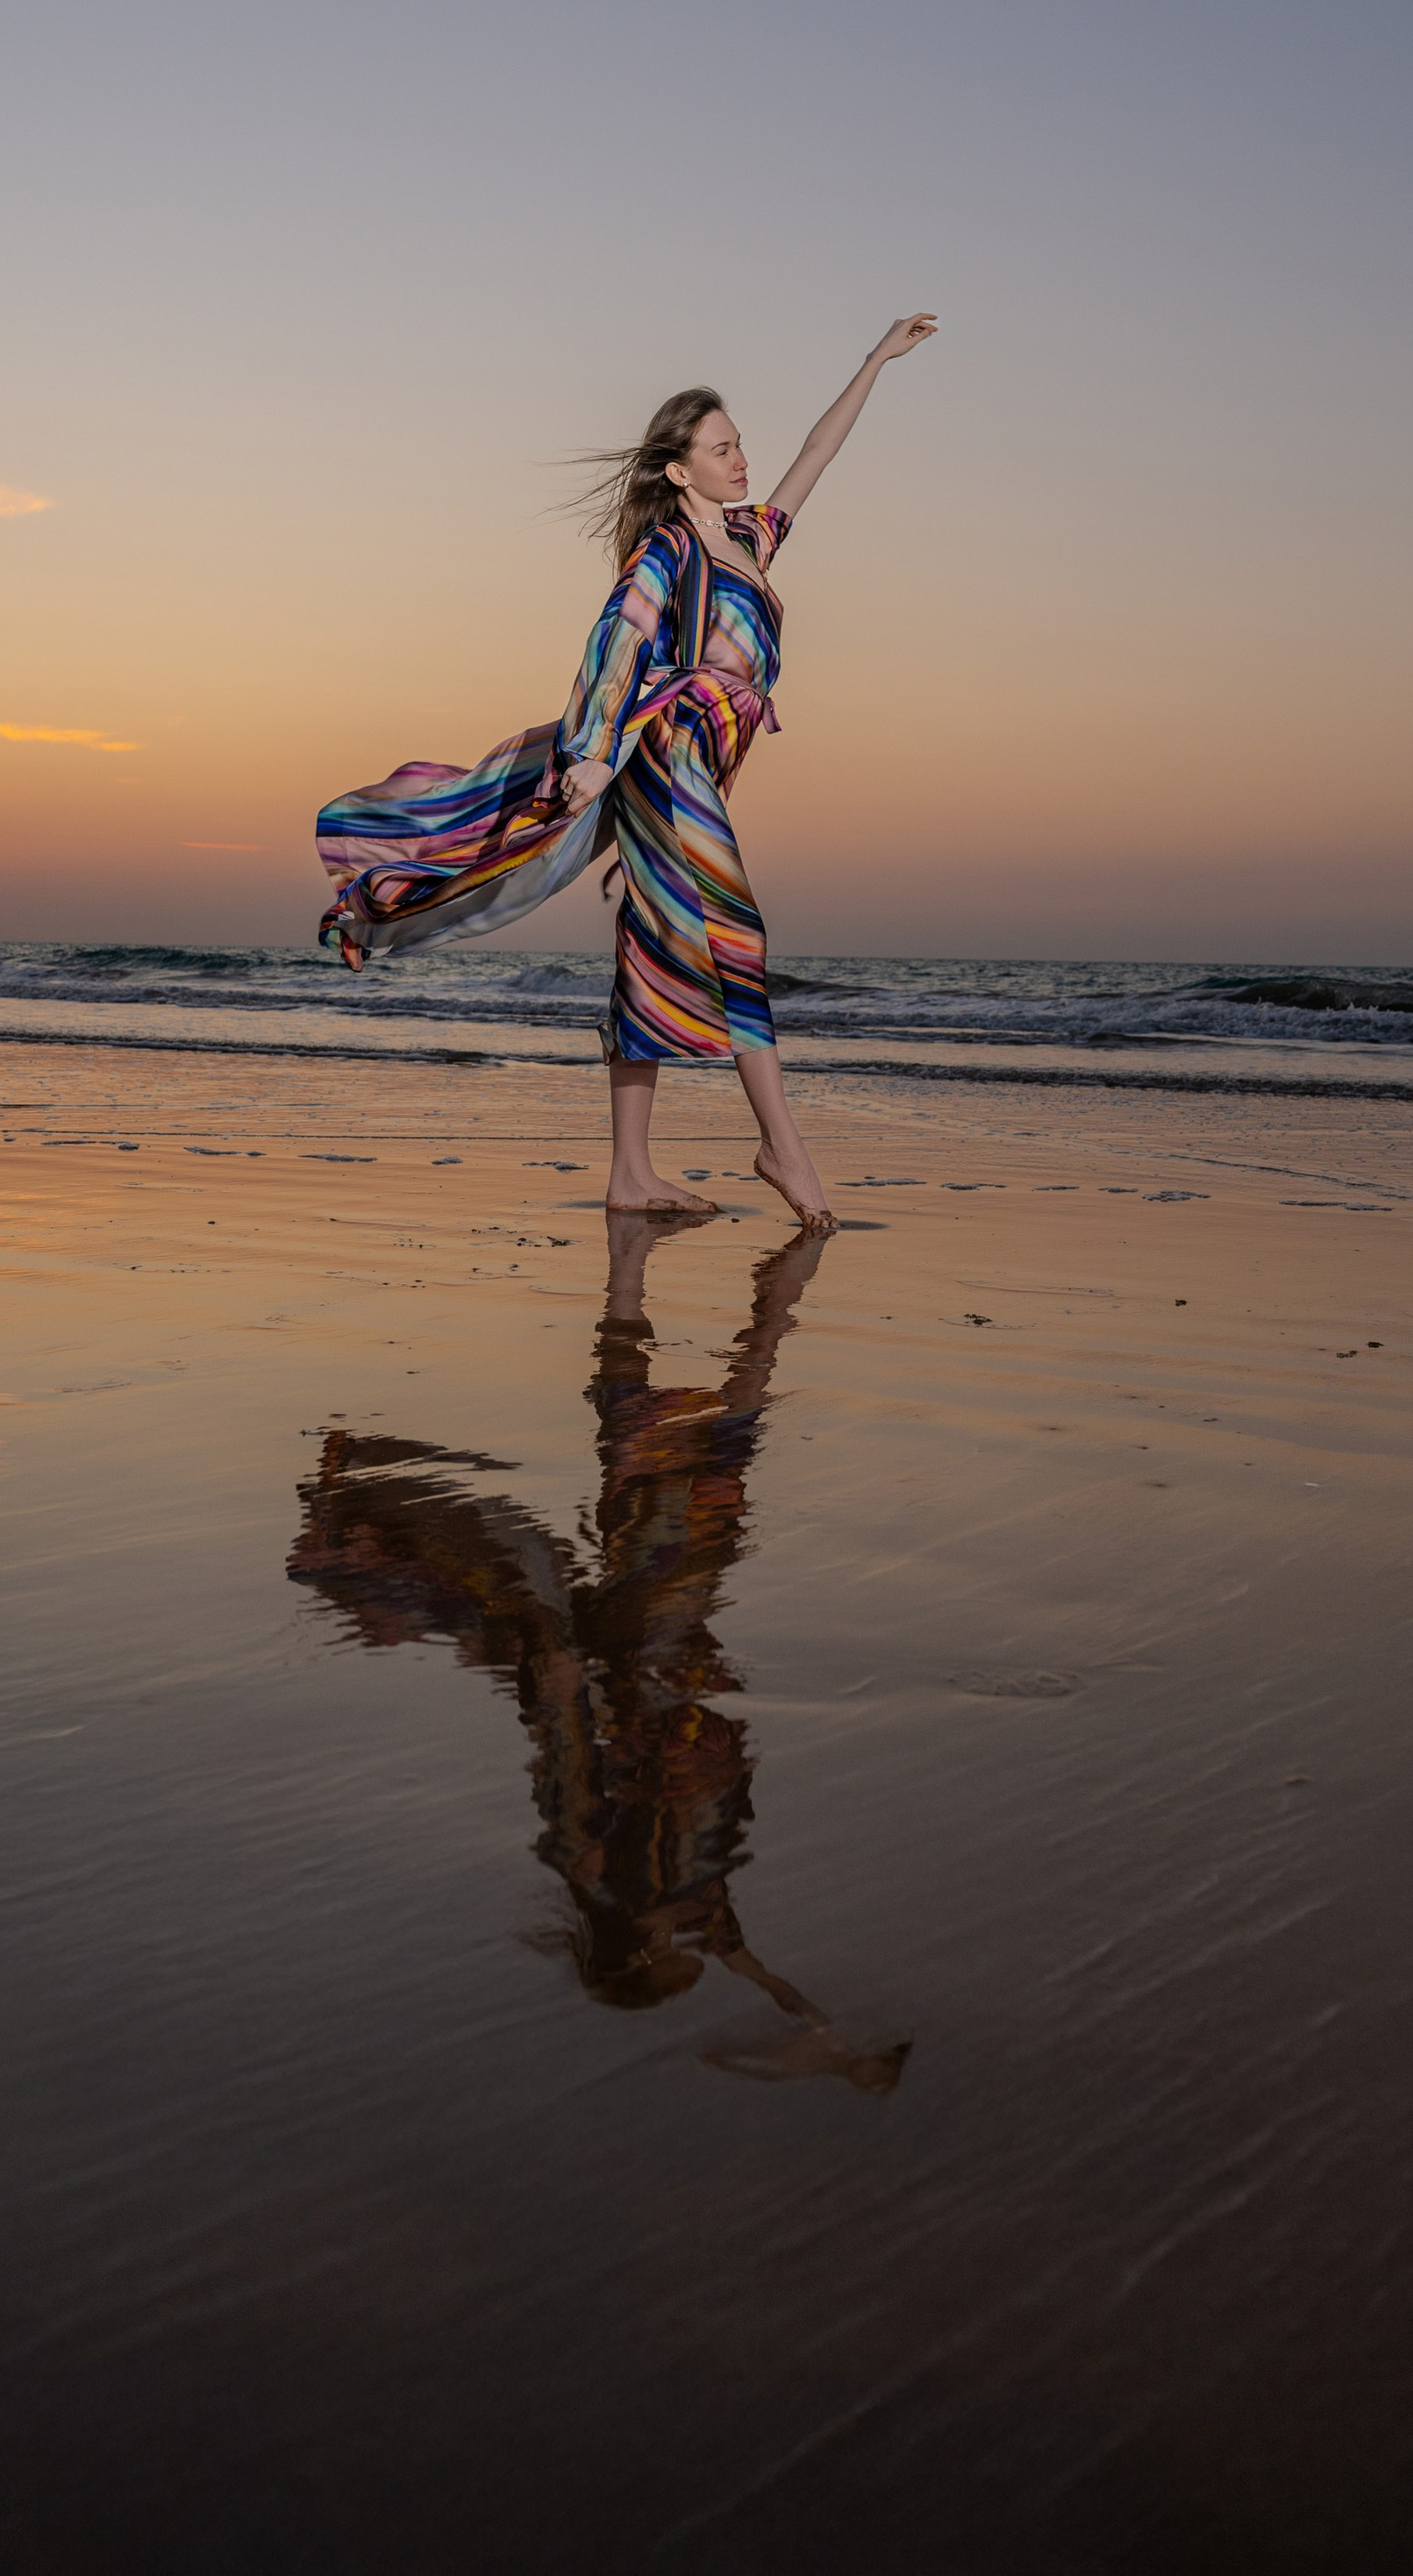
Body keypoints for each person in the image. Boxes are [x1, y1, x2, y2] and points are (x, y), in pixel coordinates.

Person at [316, 315, 938, 1224]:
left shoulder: (751, 539)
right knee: (739, 936)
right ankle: (782, 1148)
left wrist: (874, 360)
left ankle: (629, 1173)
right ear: (678, 470)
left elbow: (816, 451)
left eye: (738, 445)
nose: (740, 459)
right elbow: (616, 644)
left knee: (649, 953)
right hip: (661, 758)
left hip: (698, 769)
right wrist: (595, 757)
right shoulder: (667, 552)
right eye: (720, 450)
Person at [288, 1208, 910, 2093]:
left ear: (643, 1954)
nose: (691, 1963)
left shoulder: (602, 1864)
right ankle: (673, 1288)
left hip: (637, 1662)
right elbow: (753, 1968)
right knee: (675, 1472)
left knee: (689, 1472)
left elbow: (570, 1744)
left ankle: (699, 1291)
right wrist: (839, 2052)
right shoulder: (684, 1903)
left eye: (671, 1968)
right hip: (666, 1658)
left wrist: (561, 1663)